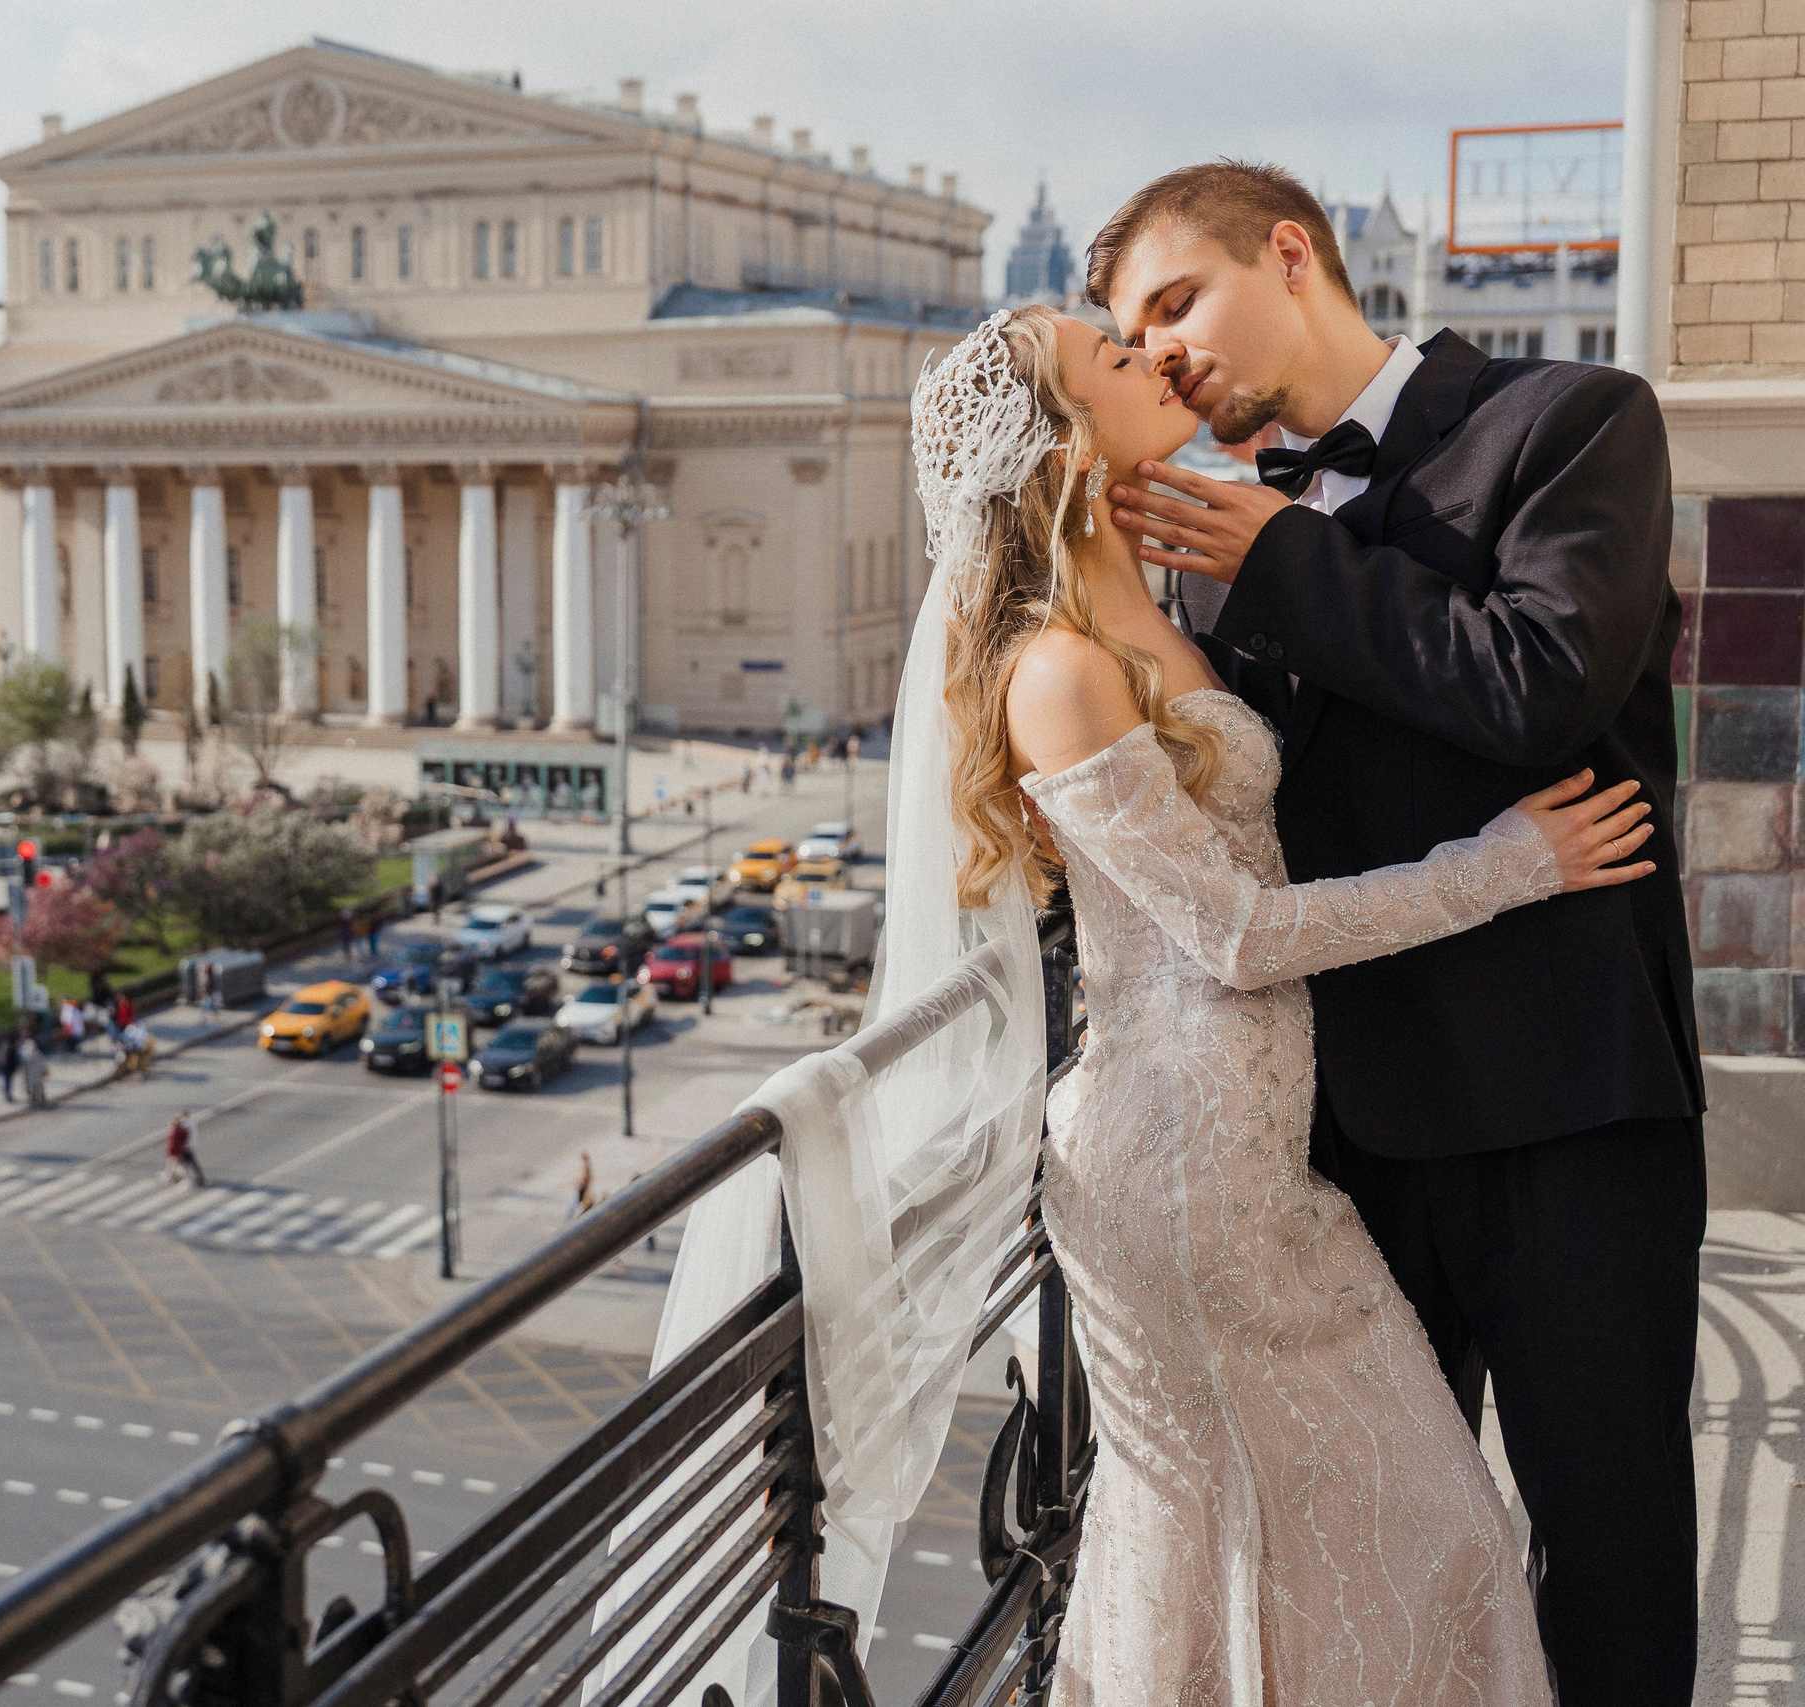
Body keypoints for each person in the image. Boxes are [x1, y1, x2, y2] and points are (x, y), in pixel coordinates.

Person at [632, 302, 1661, 1707]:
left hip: (1254, 1150)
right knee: (1380, 1530)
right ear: (1062, 444)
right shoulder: (1057, 666)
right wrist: (1501, 867)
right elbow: (1232, 932)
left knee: (1354, 1538)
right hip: (1177, 1166)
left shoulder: (1173, 601)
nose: (1151, 353)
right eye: (1115, 351)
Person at [1090, 164, 1701, 1705]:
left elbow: (1537, 683)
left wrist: (1275, 557)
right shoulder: (1209, 533)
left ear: (1289, 254)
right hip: (1328, 1146)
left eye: (1176, 302)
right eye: (1129, 336)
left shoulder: (1574, 419)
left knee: (1606, 1568)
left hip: (1568, 1109)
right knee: (1374, 1571)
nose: (1161, 353)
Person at [163, 1110, 203, 1187]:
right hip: (182, 1149)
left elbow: (179, 1141)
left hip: (182, 1149)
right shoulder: (185, 1126)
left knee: (182, 1165)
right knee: (176, 1163)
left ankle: (191, 1178)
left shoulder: (182, 1129)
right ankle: (169, 1175)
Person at [21, 1037, 48, 1109]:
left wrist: (45, 1071)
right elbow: (24, 1067)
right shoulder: (26, 1056)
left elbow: (43, 1063)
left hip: (37, 1074)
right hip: (30, 1075)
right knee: (31, 1089)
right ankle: (33, 1101)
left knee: (39, 1087)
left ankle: (41, 1100)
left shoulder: (38, 1053)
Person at [0, 1030, 22, 1103]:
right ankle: (8, 1095)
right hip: (8, 1068)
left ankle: (7, 1094)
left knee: (6, 1081)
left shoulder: (4, 1045)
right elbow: (14, 1059)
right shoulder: (11, 1048)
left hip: (3, 1067)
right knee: (8, 1082)